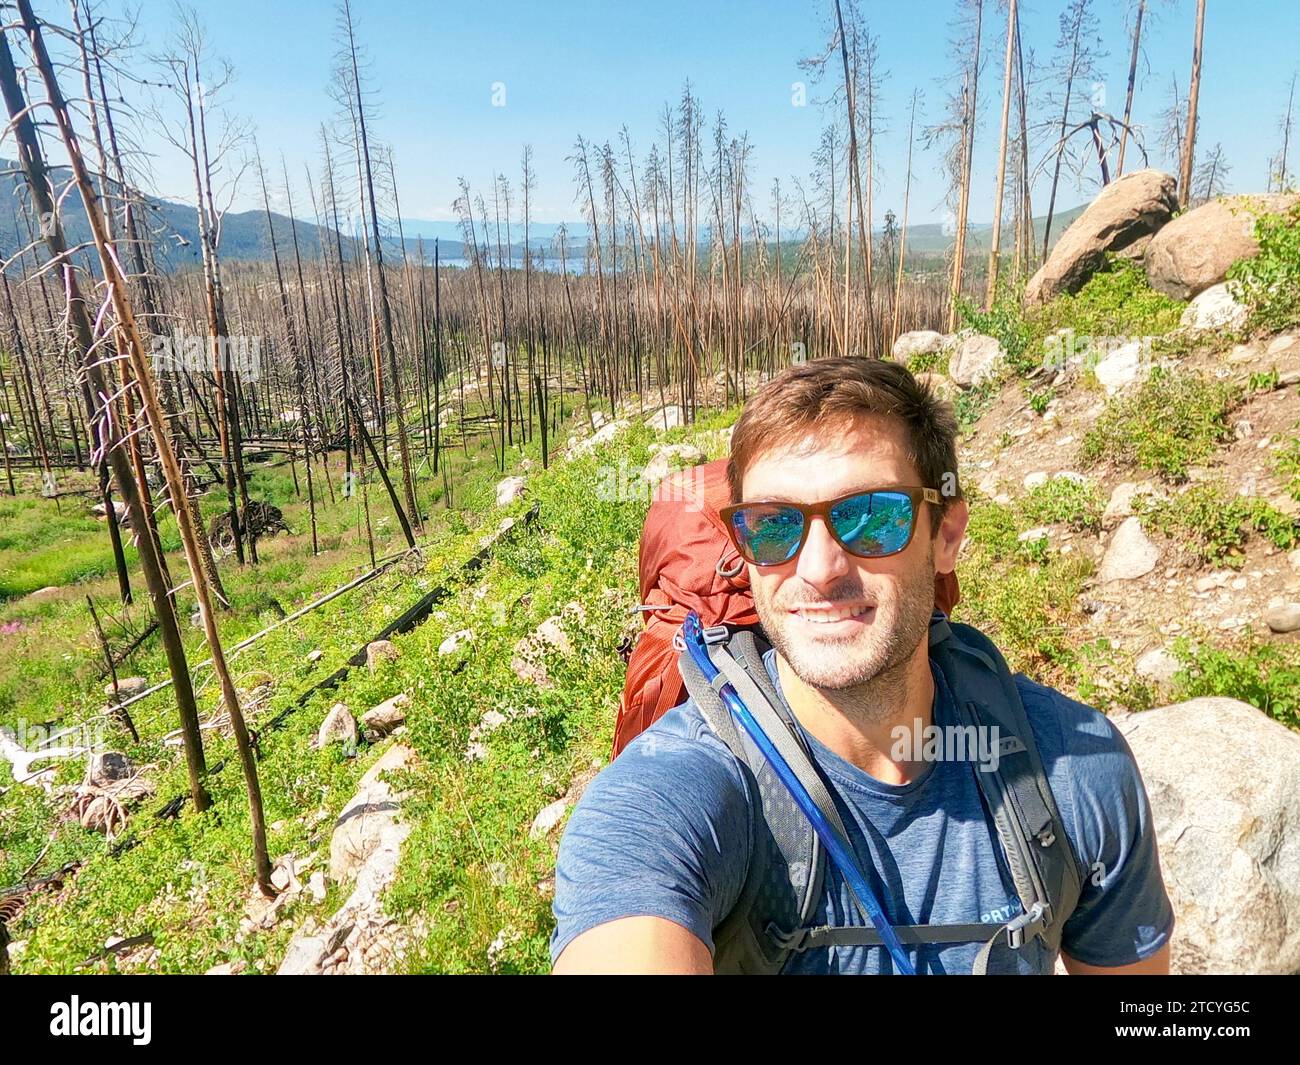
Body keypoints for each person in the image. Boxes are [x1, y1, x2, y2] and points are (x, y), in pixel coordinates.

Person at [551, 356, 1174, 974]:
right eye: (774, 526)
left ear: (946, 533)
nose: (819, 570)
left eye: (872, 516)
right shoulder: (672, 792)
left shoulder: (1072, 772)